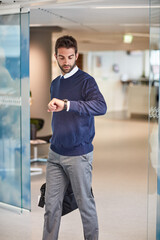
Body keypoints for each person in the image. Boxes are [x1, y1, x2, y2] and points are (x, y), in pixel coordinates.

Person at [42, 35, 107, 240]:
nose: (66, 62)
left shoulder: (86, 81)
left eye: (70, 57)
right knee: (51, 207)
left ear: (76, 55)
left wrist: (68, 104)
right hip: (55, 154)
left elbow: (101, 106)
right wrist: (55, 106)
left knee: (85, 205)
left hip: (78, 154)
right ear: (56, 57)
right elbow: (60, 111)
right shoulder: (55, 84)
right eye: (62, 57)